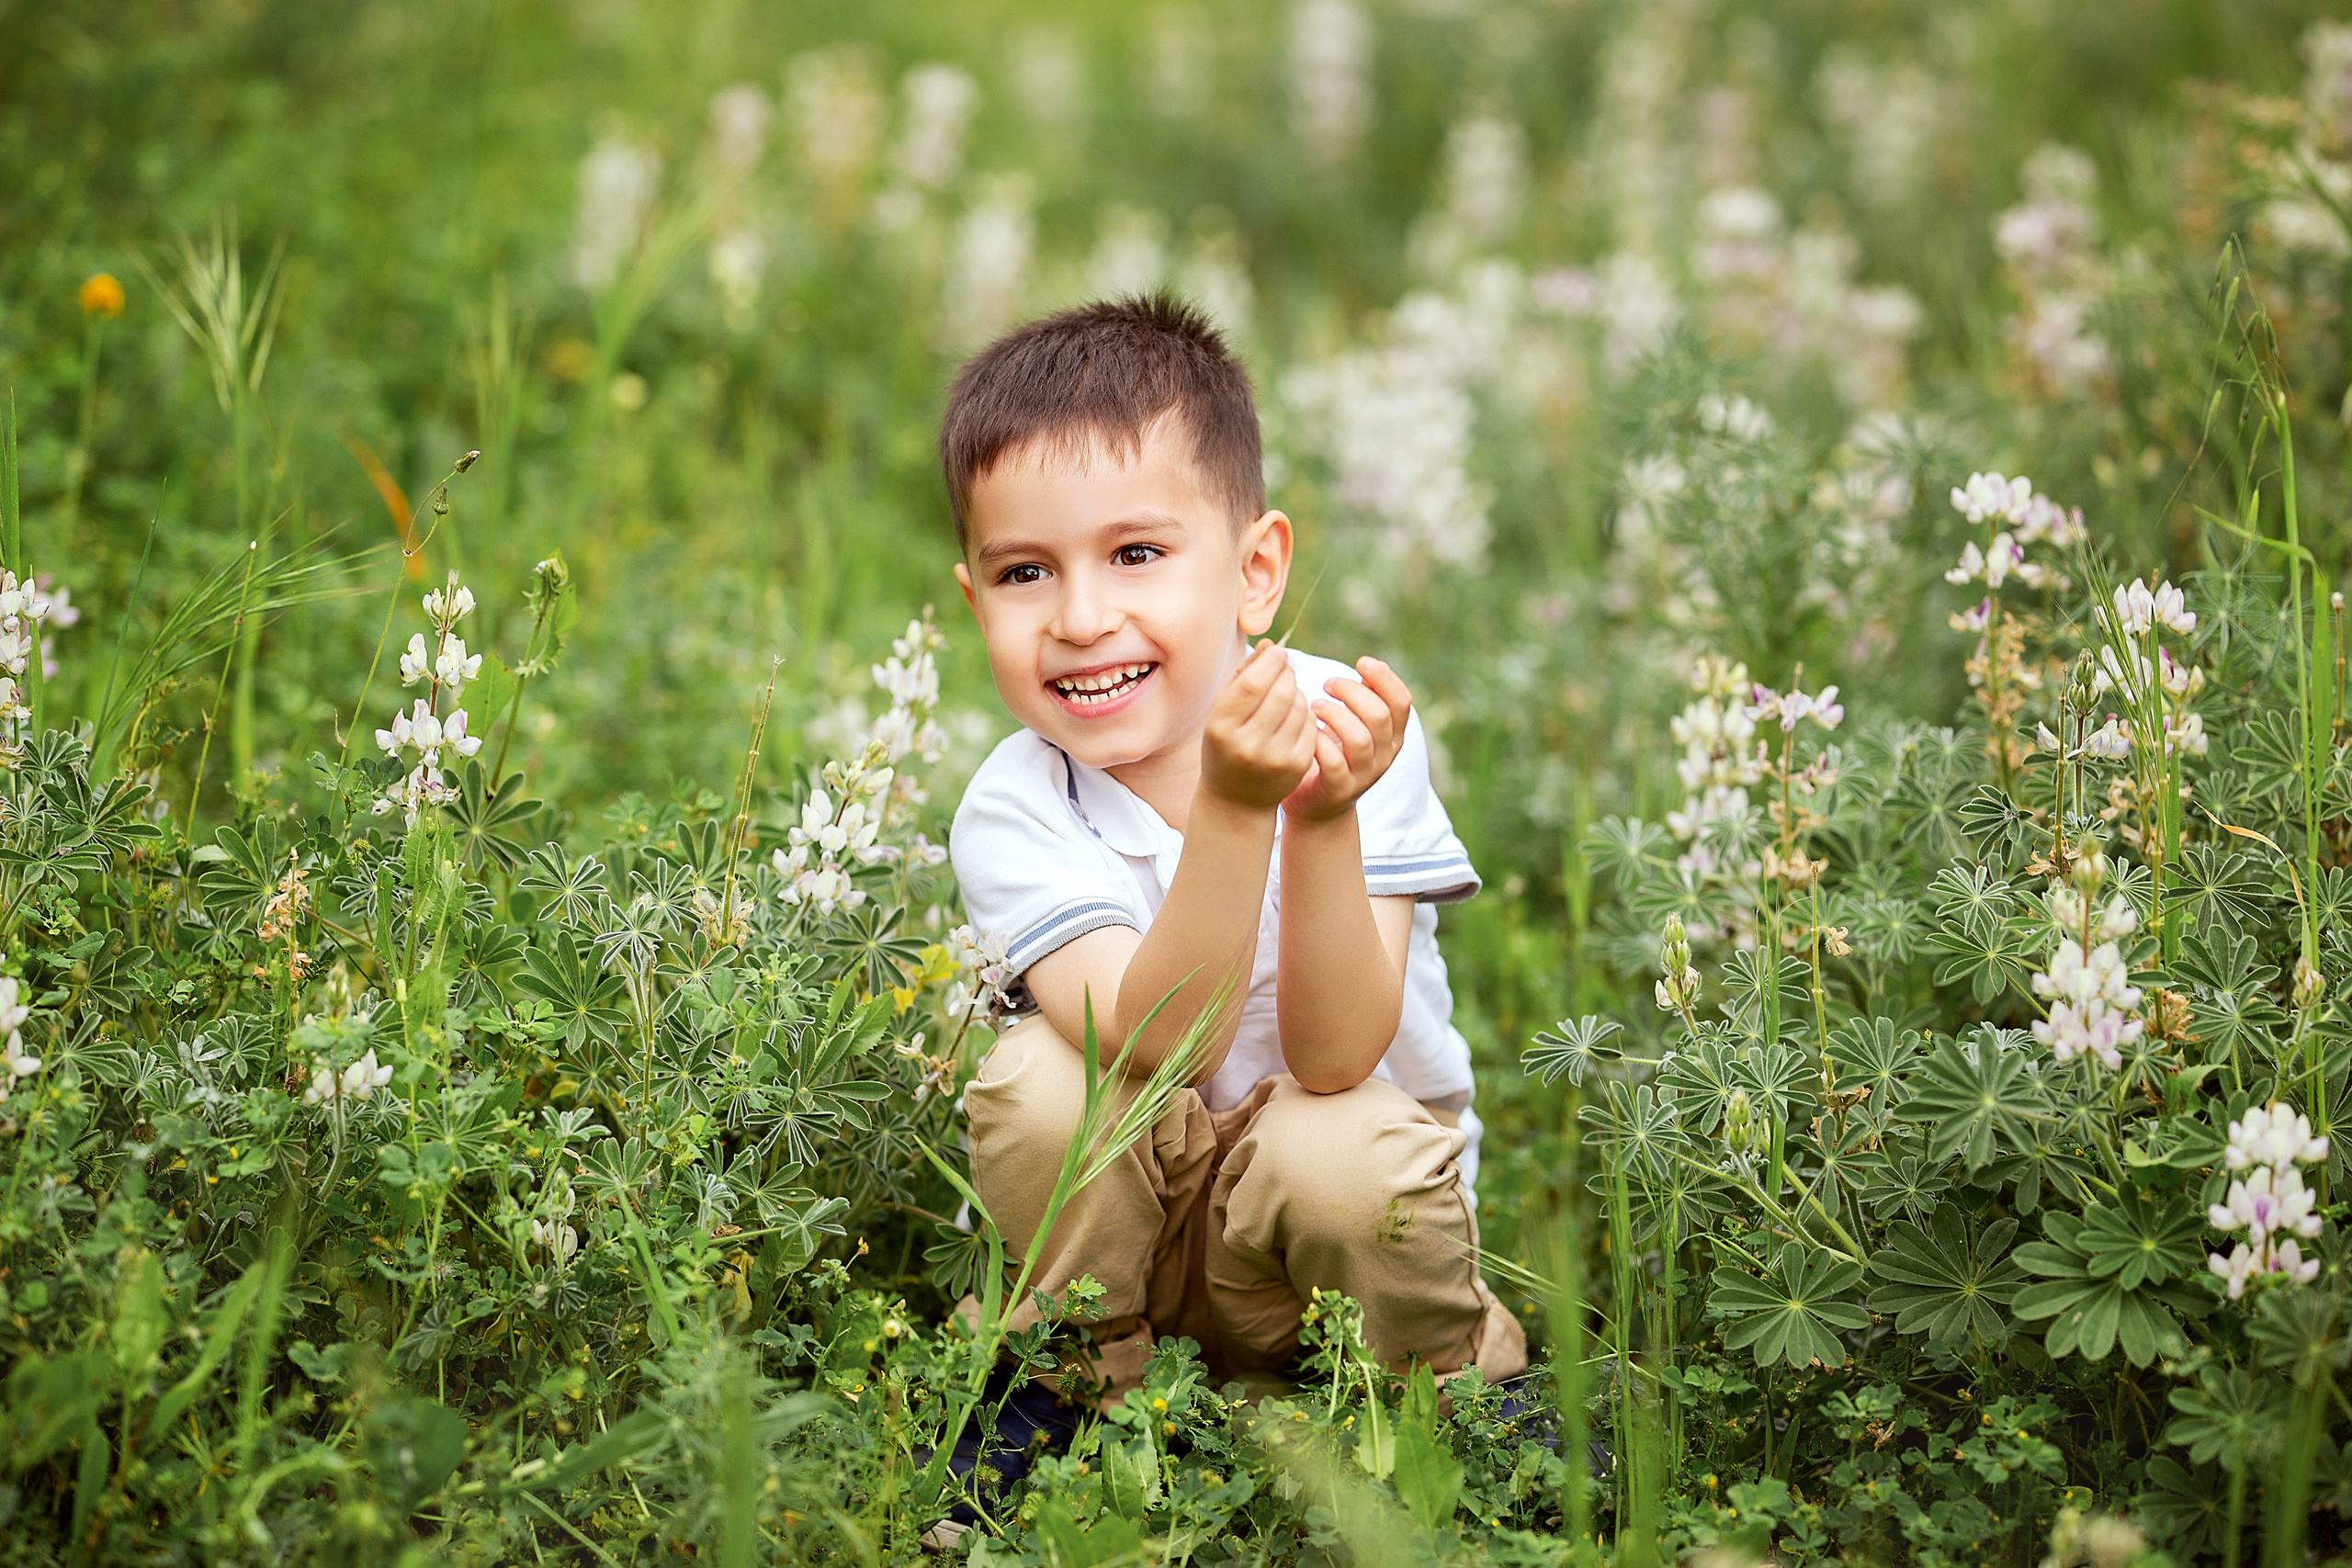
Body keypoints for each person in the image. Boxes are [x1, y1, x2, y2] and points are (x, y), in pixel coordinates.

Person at [942, 291, 1527, 1405]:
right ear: (977, 602)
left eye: (1135, 553)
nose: (1078, 615)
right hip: (1129, 1261)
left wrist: (1315, 815)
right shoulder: (1015, 803)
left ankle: (1450, 1395)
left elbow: (1339, 1055)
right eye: (1025, 573)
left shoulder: (1349, 730)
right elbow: (1157, 1042)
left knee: (1344, 1148)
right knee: (1041, 1085)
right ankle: (1069, 1386)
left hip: (1331, 1258)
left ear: (1255, 571)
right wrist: (1233, 808)